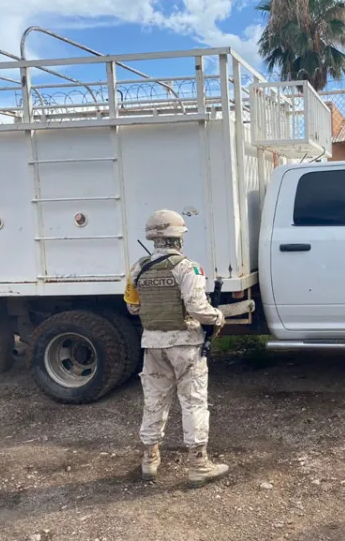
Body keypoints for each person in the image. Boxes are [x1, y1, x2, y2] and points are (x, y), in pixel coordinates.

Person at [123, 209, 228, 488]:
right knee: (193, 402)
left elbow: (132, 307)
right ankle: (198, 465)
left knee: (154, 400)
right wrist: (217, 317)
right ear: (179, 238)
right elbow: (197, 308)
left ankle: (149, 460)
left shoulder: (137, 269)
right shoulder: (188, 268)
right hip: (186, 345)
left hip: (153, 344)